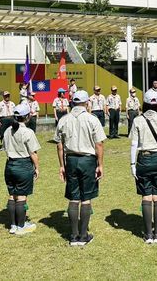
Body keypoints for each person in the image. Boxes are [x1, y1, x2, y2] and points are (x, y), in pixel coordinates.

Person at [54, 90, 106, 246]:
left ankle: (74, 235)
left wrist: (62, 166)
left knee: (74, 197)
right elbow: (99, 144)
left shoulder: (64, 119)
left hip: (71, 160)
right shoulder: (92, 119)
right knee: (86, 197)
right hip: (87, 160)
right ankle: (83, 235)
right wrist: (100, 164)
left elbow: (59, 145)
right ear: (86, 102)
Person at [129, 89, 157, 244]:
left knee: (146, 195)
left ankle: (148, 234)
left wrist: (132, 164)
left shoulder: (138, 120)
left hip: (143, 159)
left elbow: (134, 144)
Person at [3, 103, 41, 235]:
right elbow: (33, 153)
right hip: (23, 165)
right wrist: (37, 167)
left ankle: (13, 224)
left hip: (10, 165)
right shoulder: (28, 132)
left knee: (12, 195)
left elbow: (5, 147)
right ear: (27, 117)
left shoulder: (8, 130)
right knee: (21, 196)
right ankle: (21, 225)